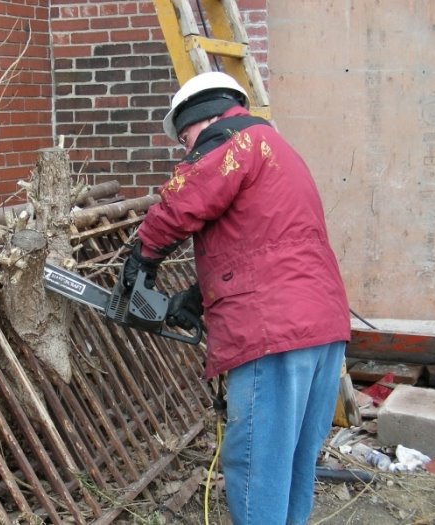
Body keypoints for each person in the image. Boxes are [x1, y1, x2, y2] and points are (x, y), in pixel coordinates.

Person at [122, 71, 351, 525]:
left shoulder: (231, 142)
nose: (186, 149)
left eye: (184, 137)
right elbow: (266, 242)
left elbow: (181, 201)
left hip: (274, 331)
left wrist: (142, 258)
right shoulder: (276, 148)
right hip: (321, 325)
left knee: (256, 464)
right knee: (292, 462)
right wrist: (199, 296)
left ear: (203, 117)